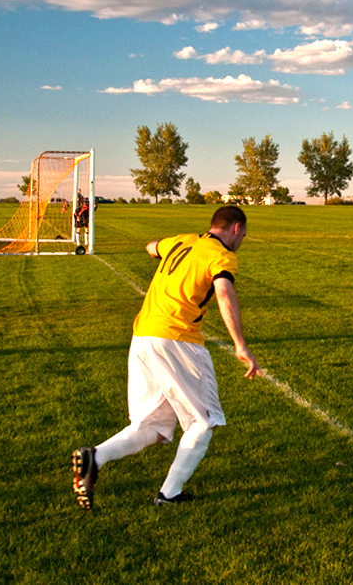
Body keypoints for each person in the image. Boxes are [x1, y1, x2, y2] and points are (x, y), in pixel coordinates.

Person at [72, 205, 260, 510]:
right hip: (177, 338)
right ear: (236, 228)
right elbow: (224, 292)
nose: (242, 242)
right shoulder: (222, 255)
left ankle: (95, 457)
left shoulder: (182, 240)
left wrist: (165, 253)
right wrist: (240, 344)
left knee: (154, 427)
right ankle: (169, 494)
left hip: (143, 335)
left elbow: (151, 248)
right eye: (244, 235)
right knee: (203, 421)